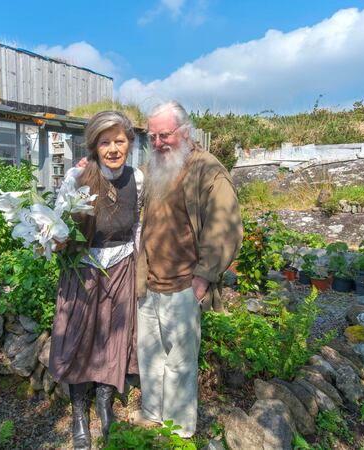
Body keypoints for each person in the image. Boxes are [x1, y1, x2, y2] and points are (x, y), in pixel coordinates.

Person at [133, 100, 242, 437]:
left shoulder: (207, 169)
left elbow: (226, 227)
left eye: (164, 135)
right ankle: (153, 415)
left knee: (180, 363)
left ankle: (178, 431)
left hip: (184, 284)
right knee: (150, 355)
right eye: (152, 137)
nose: (158, 143)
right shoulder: (153, 169)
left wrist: (203, 278)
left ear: (185, 132)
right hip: (149, 282)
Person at [48, 110, 144, 449]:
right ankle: (78, 413)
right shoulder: (79, 176)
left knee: (113, 336)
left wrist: (137, 261)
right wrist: (57, 239)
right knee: (78, 335)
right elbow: (57, 222)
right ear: (95, 145)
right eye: (106, 142)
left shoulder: (138, 178)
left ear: (129, 144)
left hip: (120, 267)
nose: (113, 148)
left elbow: (137, 226)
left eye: (120, 141)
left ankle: (104, 402)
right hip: (84, 268)